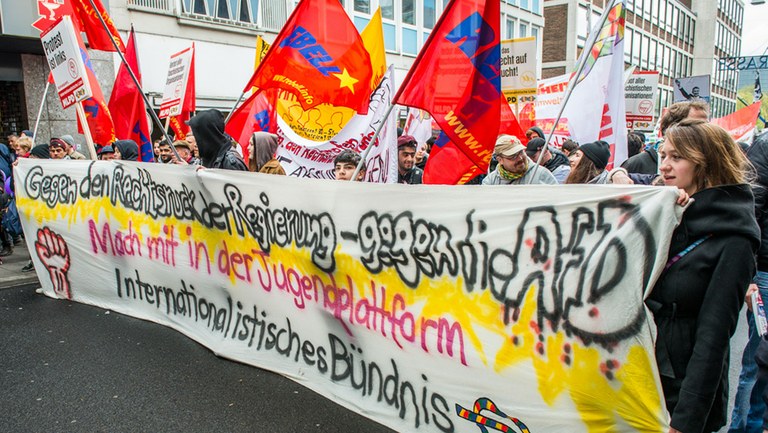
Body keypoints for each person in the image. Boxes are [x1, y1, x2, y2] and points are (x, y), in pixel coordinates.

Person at [647, 119, 759, 433]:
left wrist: (685, 421)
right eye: (663, 155)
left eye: (677, 157)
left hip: (682, 391)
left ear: (705, 163)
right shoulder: (665, 211)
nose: (665, 166)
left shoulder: (735, 238)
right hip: (642, 375)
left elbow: (714, 338)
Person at [729, 131, 768, 433]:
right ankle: (745, 427)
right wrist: (749, 273)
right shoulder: (765, 145)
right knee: (759, 359)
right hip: (766, 270)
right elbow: (752, 208)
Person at [482, 135, 557, 185]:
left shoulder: (541, 175)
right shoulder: (490, 182)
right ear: (500, 160)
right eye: (513, 156)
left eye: (521, 152)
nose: (520, 158)